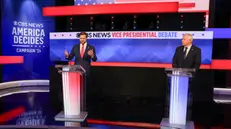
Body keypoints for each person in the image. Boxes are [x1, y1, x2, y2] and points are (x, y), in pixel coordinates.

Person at [64, 32, 97, 120]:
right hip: (76, 71)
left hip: (86, 71)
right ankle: (76, 105)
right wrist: (67, 56)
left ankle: (85, 107)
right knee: (77, 89)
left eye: (83, 38)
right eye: (80, 38)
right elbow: (70, 57)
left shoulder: (91, 47)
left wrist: (92, 55)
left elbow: (95, 59)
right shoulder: (75, 47)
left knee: (85, 89)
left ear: (86, 38)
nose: (82, 39)